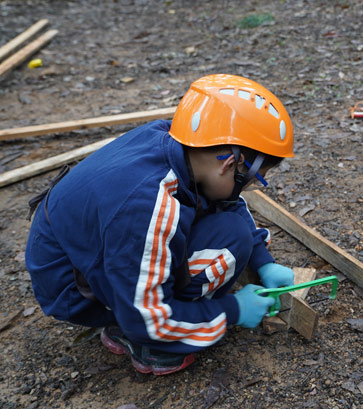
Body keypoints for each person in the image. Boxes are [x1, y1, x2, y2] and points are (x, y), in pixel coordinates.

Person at [25, 74, 297, 375]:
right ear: (228, 165)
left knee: (232, 230)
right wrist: (231, 311)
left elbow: (225, 202)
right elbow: (149, 320)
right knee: (230, 243)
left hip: (86, 249)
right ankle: (148, 344)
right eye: (250, 183)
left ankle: (135, 305)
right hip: (73, 288)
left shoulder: (180, 144)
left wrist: (263, 261)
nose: (245, 191)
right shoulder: (148, 207)